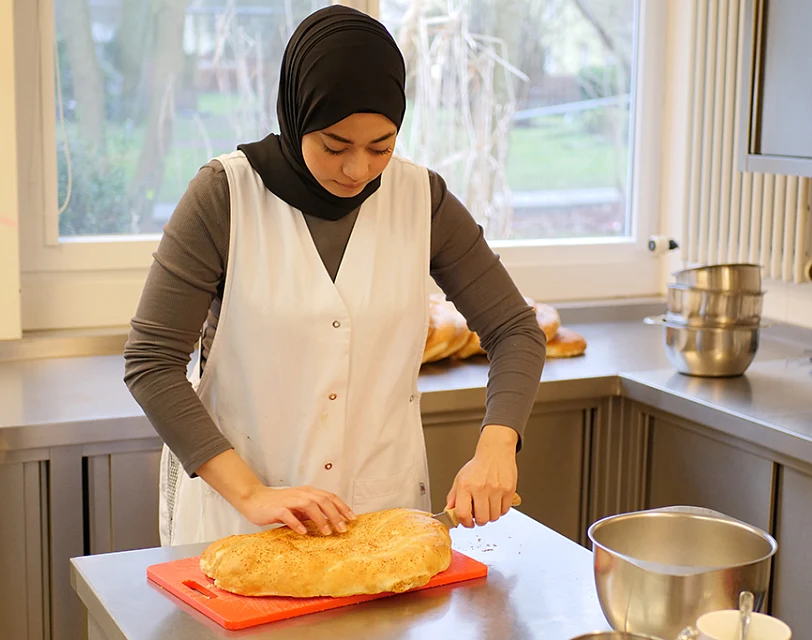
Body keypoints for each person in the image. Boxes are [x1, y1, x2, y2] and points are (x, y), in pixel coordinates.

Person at [123, 5, 546, 547]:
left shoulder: (422, 199)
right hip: (241, 519)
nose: (357, 170)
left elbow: (515, 330)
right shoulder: (225, 196)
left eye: (381, 147)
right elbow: (151, 362)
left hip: (382, 516)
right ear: (297, 115)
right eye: (335, 145)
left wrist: (497, 447)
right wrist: (253, 494)